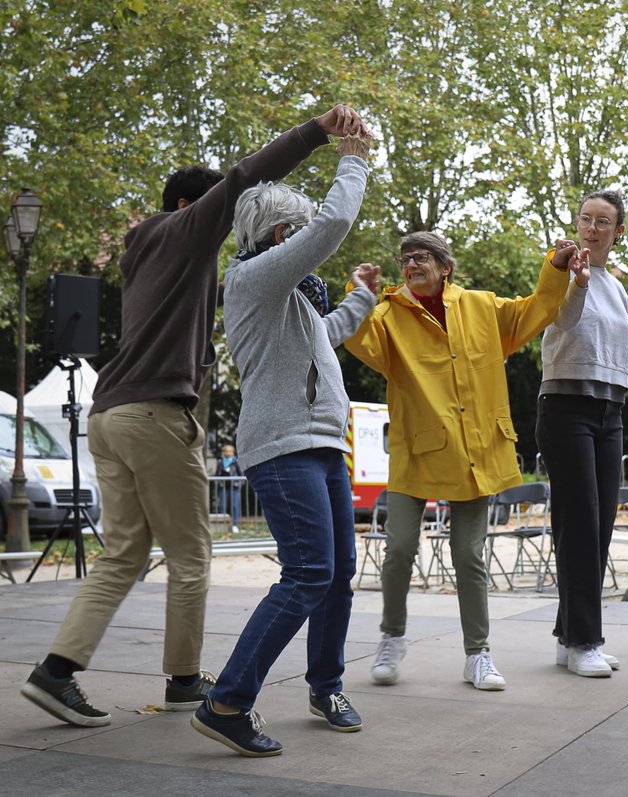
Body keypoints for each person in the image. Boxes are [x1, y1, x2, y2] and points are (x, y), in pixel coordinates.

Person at [20, 106, 364, 729]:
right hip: (155, 414)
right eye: (215, 215)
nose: (224, 228)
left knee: (125, 553)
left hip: (109, 412)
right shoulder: (186, 233)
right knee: (193, 554)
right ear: (188, 207)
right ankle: (188, 684)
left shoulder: (148, 255)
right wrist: (317, 134)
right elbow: (245, 179)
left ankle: (56, 673)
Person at [191, 131, 376, 757]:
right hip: (283, 447)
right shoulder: (251, 280)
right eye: (299, 240)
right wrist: (353, 161)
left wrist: (361, 299)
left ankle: (326, 687)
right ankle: (228, 702)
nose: (312, 258)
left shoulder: (282, 299)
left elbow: (320, 337)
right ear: (280, 239)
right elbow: (331, 223)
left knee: (337, 573)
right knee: (307, 574)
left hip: (322, 446)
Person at [344, 231, 589, 691]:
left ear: (444, 267)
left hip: (475, 452)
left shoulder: (482, 307)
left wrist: (555, 267)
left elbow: (537, 308)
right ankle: (391, 638)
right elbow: (361, 344)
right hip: (417, 452)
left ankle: (478, 655)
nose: (411, 265)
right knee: (397, 549)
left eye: (421, 258)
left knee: (468, 556)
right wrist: (360, 296)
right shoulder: (388, 315)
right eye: (405, 260)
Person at [536, 188, 628, 677]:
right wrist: (575, 282)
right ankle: (584, 640)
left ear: (618, 232)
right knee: (579, 523)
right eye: (585, 219)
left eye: (603, 222)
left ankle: (569, 636)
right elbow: (564, 319)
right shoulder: (560, 273)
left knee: (598, 527)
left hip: (610, 413)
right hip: (566, 408)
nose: (591, 228)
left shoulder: (618, 290)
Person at [214, 444, 244, 533]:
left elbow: (241, 475)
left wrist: (238, 484)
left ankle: (235, 525)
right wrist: (219, 483)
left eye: (229, 451)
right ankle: (222, 525)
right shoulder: (220, 462)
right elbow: (217, 474)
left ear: (233, 452)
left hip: (234, 487)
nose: (228, 453)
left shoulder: (236, 462)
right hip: (223, 487)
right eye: (226, 451)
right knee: (222, 506)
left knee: (235, 506)